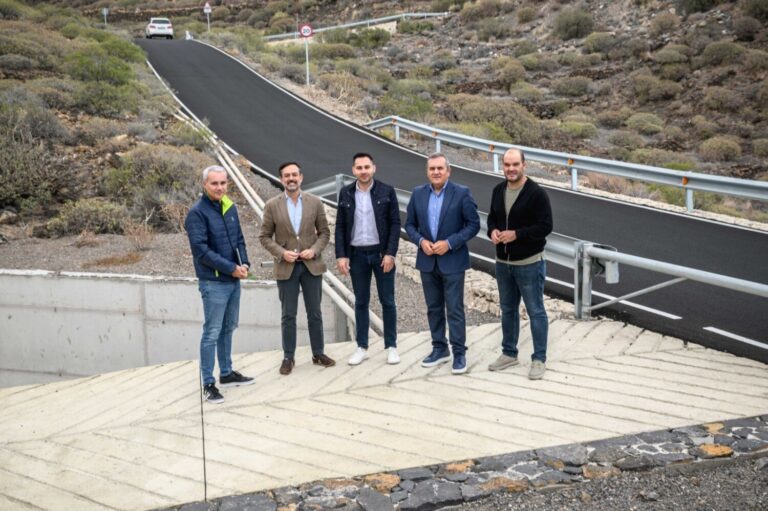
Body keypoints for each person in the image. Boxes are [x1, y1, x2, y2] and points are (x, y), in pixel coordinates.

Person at [405, 153, 480, 374]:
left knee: (455, 309)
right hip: (427, 261)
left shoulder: (462, 193)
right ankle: (439, 348)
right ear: (427, 172)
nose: (436, 172)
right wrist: (421, 241)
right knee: (433, 308)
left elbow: (473, 224)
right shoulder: (418, 194)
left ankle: (459, 353)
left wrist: (450, 243)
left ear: (448, 171)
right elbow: (409, 225)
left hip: (453, 260)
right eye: (432, 169)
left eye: (440, 168)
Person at [185, 165, 254, 404]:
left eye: (223, 183)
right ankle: (208, 383)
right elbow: (201, 251)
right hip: (214, 282)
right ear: (205, 185)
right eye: (214, 183)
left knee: (228, 327)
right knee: (212, 333)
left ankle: (226, 373)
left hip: (234, 279)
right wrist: (230, 268)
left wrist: (244, 263)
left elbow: (239, 240)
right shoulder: (197, 213)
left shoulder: (229, 207)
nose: (219, 187)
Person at [259, 162, 335, 375]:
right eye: (286, 176)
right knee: (288, 315)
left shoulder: (315, 202)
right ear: (282, 179)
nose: (291, 178)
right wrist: (282, 253)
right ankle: (288, 357)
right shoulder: (272, 205)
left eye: (294, 175)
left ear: (301, 177)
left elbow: (325, 233)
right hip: (286, 267)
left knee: (315, 313)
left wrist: (314, 250)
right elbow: (264, 236)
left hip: (311, 266)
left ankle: (318, 353)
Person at [487, 148, 553, 380]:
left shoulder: (536, 194)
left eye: (515, 164)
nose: (511, 169)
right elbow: (492, 218)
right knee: (507, 309)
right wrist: (492, 231)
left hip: (529, 263)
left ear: (524, 165)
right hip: (502, 263)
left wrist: (517, 234)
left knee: (535, 311)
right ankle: (509, 353)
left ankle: (539, 359)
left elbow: (545, 226)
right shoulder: (498, 190)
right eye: (507, 164)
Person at [335, 152, 401, 366]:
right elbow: (340, 226)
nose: (363, 171)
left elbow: (394, 224)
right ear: (353, 170)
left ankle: (391, 346)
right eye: (359, 168)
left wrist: (391, 253)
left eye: (366, 167)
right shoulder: (345, 193)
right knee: (361, 301)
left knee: (387, 301)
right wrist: (341, 255)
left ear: (374, 168)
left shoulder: (386, 191)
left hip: (382, 255)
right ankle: (361, 347)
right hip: (357, 255)